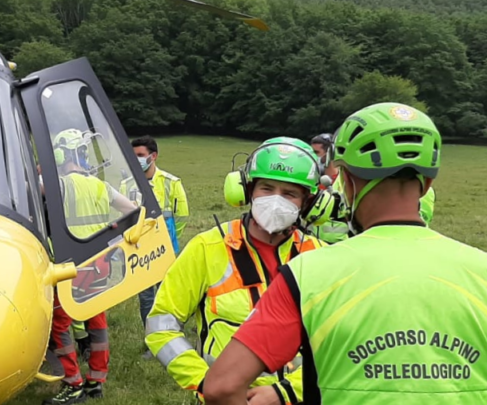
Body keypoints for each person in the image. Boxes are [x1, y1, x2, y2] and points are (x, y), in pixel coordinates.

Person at [203, 102, 487, 405]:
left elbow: (222, 387)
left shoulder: (307, 273)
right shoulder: (481, 269)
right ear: (427, 184)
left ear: (348, 183)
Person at [145, 136, 331, 404]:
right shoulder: (206, 248)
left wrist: (287, 392)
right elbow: (161, 324)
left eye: (289, 193)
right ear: (246, 191)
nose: (276, 200)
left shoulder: (322, 256)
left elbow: (343, 342)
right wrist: (209, 383)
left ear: (308, 202)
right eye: (267, 188)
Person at [44, 128, 135, 405]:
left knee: (59, 325)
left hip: (72, 267)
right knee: (96, 321)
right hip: (99, 265)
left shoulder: (59, 184)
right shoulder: (99, 185)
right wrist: (113, 234)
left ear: (60, 154)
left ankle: (73, 384)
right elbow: (132, 210)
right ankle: (97, 380)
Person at [120, 135, 190, 358]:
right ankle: (152, 342)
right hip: (140, 251)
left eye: (140, 155)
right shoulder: (126, 184)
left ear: (153, 156)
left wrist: (170, 244)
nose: (136, 160)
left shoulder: (171, 183)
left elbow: (182, 217)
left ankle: (171, 338)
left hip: (166, 250)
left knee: (167, 297)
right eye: (133, 156)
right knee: (146, 298)